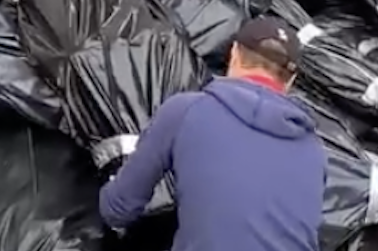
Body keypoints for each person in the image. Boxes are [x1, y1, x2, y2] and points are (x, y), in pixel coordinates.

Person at [98, 17, 326, 251]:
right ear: (291, 81)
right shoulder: (315, 151)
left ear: (234, 53)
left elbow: (117, 210)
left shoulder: (186, 111)